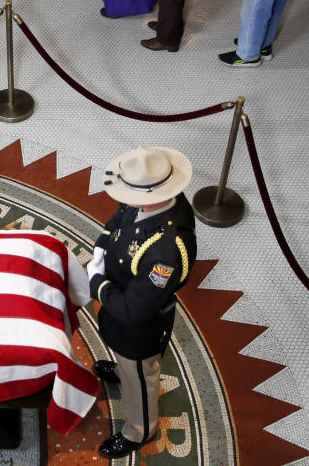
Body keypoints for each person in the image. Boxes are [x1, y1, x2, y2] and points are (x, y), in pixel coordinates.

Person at [85, 146, 196, 458]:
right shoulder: (149, 199)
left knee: (140, 377)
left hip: (140, 325)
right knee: (126, 363)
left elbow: (135, 311)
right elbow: (119, 219)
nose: (124, 199)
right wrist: (102, 244)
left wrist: (98, 283)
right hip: (121, 305)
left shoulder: (168, 250)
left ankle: (139, 430)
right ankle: (123, 372)